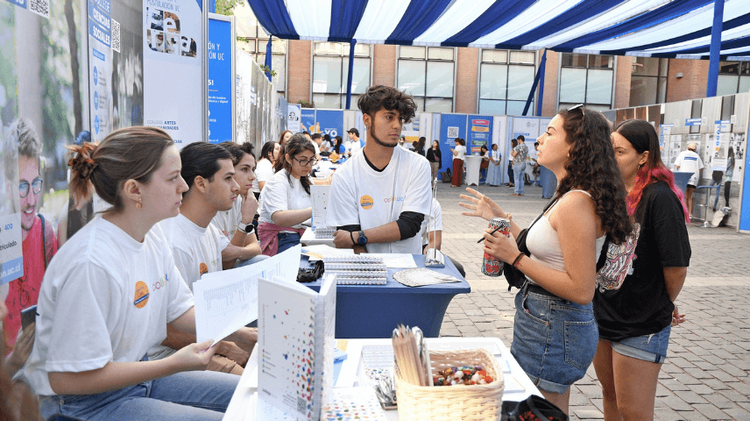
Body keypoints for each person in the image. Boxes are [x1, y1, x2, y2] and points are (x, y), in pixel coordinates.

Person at [23, 126, 253, 421]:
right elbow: (67, 380)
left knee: (250, 395)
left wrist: (242, 331)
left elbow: (181, 311)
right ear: (134, 190)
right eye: (173, 179)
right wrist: (172, 364)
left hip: (138, 378)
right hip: (84, 406)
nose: (184, 186)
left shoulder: (152, 236)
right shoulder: (91, 262)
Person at [460, 106, 632, 413]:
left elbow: (581, 289)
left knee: (539, 411)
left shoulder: (576, 203)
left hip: (554, 323)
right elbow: (548, 247)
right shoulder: (571, 197)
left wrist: (514, 258)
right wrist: (500, 218)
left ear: (575, 145)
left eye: (550, 132)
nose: (540, 139)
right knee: (546, 410)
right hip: (548, 321)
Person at [593, 119, 690, 420]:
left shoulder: (660, 198)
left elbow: (676, 267)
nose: (611, 158)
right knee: (610, 398)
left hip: (641, 324)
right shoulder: (612, 194)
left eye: (620, 152)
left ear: (644, 157)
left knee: (633, 410)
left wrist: (663, 301)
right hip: (603, 314)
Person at [155, 141, 260, 374]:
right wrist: (227, 346)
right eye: (228, 178)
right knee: (257, 384)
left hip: (205, 344)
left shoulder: (208, 230)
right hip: (176, 356)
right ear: (201, 183)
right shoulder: (175, 242)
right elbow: (166, 333)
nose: (236, 187)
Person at [329, 85, 431, 255]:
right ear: (367, 120)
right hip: (367, 271)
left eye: (400, 119)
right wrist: (370, 271)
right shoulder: (345, 174)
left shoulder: (418, 165)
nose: (397, 125)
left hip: (409, 270)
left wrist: (357, 236)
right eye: (389, 117)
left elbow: (410, 225)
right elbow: (349, 236)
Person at [2, 119, 58, 376]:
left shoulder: (47, 233)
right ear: (7, 185)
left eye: (36, 183)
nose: (32, 199)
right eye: (23, 186)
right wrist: (12, 362)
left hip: (41, 374)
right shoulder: (5, 236)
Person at [211, 142, 266, 268]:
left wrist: (234, 252)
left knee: (263, 260)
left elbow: (256, 248)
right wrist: (245, 221)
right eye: (244, 169)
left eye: (253, 170)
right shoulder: (211, 205)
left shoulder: (240, 200)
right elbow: (225, 264)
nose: (252, 177)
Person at [258, 134, 315, 255]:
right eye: (303, 160)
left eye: (311, 160)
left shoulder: (306, 179)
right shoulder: (278, 181)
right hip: (282, 238)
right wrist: (314, 210)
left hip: (302, 235)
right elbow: (279, 218)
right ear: (289, 158)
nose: (309, 166)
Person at [673, 142, 703, 218]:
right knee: (689, 196)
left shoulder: (682, 153)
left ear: (687, 147)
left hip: (684, 176)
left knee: (684, 196)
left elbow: (677, 165)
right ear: (695, 149)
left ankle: (685, 214)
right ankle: (690, 214)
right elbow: (700, 169)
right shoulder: (697, 156)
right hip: (694, 177)